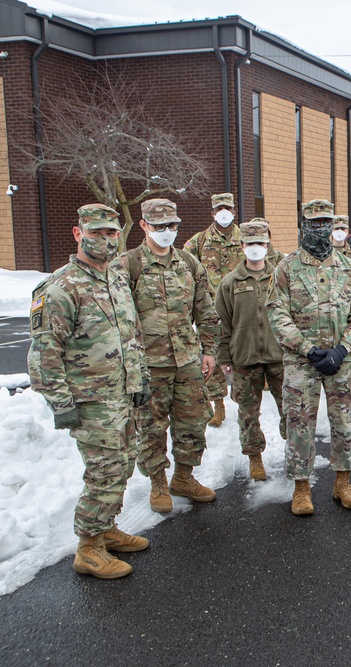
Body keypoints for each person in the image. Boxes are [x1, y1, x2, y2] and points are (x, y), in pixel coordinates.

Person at [27, 204, 150, 579]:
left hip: (121, 396)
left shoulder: (114, 278)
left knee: (124, 463)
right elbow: (44, 353)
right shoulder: (61, 286)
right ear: (78, 234)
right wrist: (61, 403)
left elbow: (131, 335)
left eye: (112, 233)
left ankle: (106, 528)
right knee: (104, 470)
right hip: (90, 402)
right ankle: (89, 547)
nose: (106, 240)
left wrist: (140, 378)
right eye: (96, 233)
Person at [118, 198, 219, 514]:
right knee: (150, 426)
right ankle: (159, 484)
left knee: (194, 420)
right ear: (144, 226)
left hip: (187, 359)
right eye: (159, 226)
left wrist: (210, 351)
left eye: (172, 226)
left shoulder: (189, 263)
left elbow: (206, 310)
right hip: (148, 365)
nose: (166, 232)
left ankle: (184, 477)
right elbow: (118, 320)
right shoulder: (128, 265)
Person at [267, 199, 351, 515]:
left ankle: (343, 484)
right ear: (303, 226)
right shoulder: (286, 267)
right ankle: (301, 488)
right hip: (301, 361)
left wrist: (341, 350)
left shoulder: (348, 267)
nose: (320, 229)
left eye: (326, 222)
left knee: (345, 423)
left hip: (342, 361)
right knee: (299, 423)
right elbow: (277, 314)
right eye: (313, 223)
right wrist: (307, 349)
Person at [215, 218, 286, 482]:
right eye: (250, 243)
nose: (255, 248)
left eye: (260, 243)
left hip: (279, 356)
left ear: (267, 245)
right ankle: (255, 458)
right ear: (242, 246)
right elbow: (223, 323)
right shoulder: (229, 283)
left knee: (290, 408)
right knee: (247, 414)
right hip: (244, 358)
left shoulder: (280, 277)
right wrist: (224, 356)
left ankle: (294, 449)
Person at [184, 192, 242, 428]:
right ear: (212, 212)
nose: (224, 212)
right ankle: (218, 404)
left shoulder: (245, 238)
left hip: (240, 306)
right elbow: (184, 269)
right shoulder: (198, 241)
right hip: (211, 308)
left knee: (241, 353)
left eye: (227, 207)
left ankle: (248, 400)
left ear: (234, 211)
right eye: (219, 208)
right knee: (213, 354)